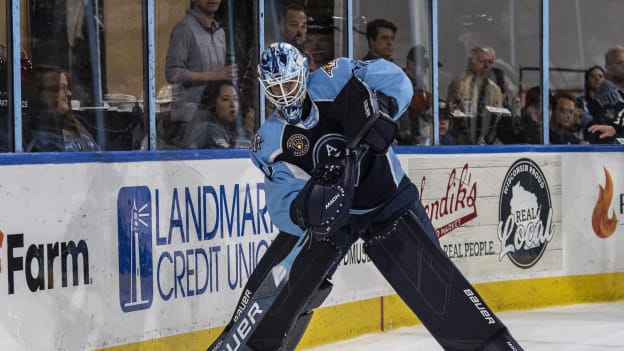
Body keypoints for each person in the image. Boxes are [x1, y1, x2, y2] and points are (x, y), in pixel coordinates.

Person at [206, 42, 523, 351]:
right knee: (284, 299)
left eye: (289, 83)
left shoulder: (335, 76)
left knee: (439, 290)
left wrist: (382, 107)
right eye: (275, 88)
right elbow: (281, 205)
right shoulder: (270, 140)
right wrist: (304, 211)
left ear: (303, 73)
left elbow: (397, 81)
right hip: (334, 219)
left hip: (386, 199)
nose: (285, 94)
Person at [162, 0, 238, 149]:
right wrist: (215, 75)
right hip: (188, 119)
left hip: (214, 117)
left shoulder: (220, 33)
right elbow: (173, 73)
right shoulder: (184, 29)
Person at [24, 65, 99, 152]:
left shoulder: (77, 124)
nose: (69, 93)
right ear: (49, 94)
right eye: (63, 88)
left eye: (68, 88)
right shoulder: (40, 135)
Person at [447, 46, 504, 144]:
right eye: (482, 62)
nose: (486, 66)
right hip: (463, 138)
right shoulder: (460, 84)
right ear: (471, 63)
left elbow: (499, 117)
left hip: (489, 138)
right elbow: (452, 114)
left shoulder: (495, 89)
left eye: (490, 62)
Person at [185, 80, 250, 149]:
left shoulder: (228, 129)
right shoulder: (209, 129)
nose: (233, 104)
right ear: (213, 103)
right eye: (225, 99)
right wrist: (248, 131)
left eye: (235, 99)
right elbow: (229, 157)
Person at [585, 46, 624, 143]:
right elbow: (619, 114)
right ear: (608, 67)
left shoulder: (620, 89)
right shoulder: (606, 88)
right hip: (609, 148)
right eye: (620, 62)